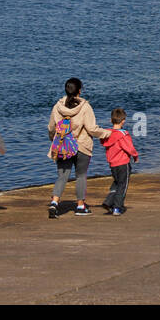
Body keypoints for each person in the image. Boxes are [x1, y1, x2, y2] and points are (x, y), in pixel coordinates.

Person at [47, 78, 109, 218]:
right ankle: (80, 206)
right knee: (81, 176)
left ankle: (54, 203)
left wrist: (53, 139)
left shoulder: (58, 106)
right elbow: (92, 129)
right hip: (82, 145)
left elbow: (51, 127)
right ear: (79, 91)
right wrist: (107, 133)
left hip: (63, 145)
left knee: (62, 176)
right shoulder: (85, 107)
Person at [100, 108, 139, 216]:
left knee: (117, 183)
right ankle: (117, 207)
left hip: (112, 164)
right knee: (123, 185)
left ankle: (108, 202)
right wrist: (135, 155)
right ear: (123, 121)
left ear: (111, 120)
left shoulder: (108, 134)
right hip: (123, 163)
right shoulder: (123, 134)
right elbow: (129, 147)